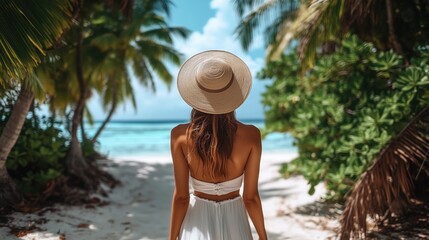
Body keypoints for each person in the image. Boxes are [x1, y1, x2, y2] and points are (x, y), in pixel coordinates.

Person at [169, 50, 267, 240]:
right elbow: (251, 198)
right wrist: (263, 237)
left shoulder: (179, 135)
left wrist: (172, 238)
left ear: (195, 94)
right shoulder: (252, 135)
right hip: (235, 220)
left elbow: (182, 197)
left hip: (197, 221)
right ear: (233, 95)